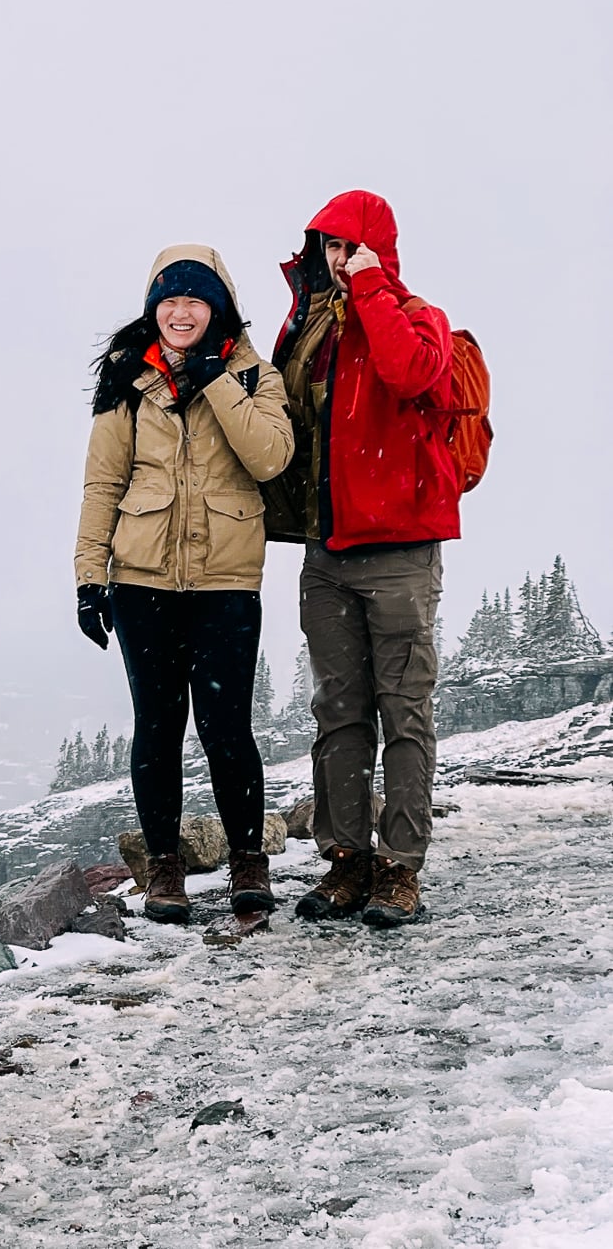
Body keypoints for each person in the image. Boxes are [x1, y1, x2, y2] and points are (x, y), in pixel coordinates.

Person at [75, 245, 294, 924]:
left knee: (227, 726)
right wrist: (89, 576)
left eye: (194, 300)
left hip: (226, 580)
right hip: (142, 581)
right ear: (154, 307)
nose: (179, 311)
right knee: (159, 727)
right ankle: (164, 870)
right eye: (169, 300)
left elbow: (271, 457)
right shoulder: (127, 380)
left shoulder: (256, 377)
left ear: (218, 307)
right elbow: (104, 482)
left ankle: (248, 862)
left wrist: (214, 380)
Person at [265, 190, 459, 929]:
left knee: (404, 712)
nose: (338, 261)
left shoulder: (415, 317)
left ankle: (400, 868)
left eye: (350, 247)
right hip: (326, 551)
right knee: (338, 713)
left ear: (378, 249)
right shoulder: (313, 327)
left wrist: (373, 286)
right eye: (330, 249)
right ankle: (346, 861)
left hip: (401, 554)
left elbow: (411, 375)